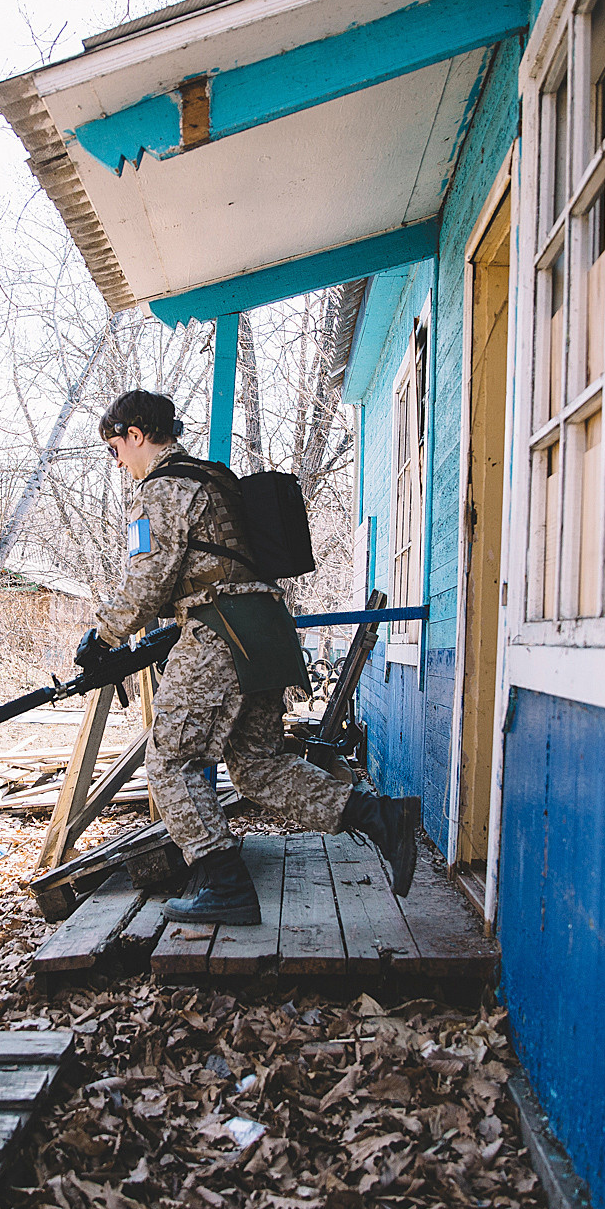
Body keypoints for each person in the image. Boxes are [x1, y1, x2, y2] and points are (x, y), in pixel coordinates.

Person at [81, 389, 419, 924]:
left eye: (114, 448)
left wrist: (102, 636)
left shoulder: (160, 489)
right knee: (258, 767)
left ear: (136, 435)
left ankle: (223, 885)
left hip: (221, 633)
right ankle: (378, 817)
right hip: (265, 631)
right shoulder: (213, 479)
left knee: (170, 762)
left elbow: (148, 580)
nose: (117, 461)